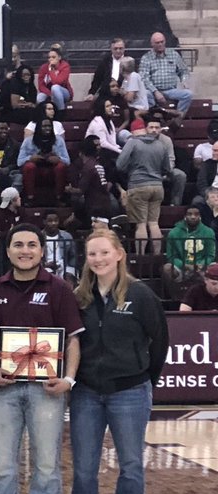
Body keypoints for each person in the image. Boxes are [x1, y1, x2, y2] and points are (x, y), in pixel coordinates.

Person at [0, 224, 83, 494]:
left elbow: (72, 339)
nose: (25, 250)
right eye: (18, 245)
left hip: (46, 389)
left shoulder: (59, 289)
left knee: (47, 466)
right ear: (8, 251)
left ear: (42, 251)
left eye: (32, 245)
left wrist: (67, 379)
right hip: (4, 390)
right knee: (3, 467)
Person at [69, 228, 168, 494]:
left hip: (129, 391)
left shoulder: (140, 295)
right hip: (85, 392)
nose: (98, 259)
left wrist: (141, 378)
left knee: (130, 465)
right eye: (92, 254)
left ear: (119, 254)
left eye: (104, 252)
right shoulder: (79, 296)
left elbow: (160, 343)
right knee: (84, 467)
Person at [117, 115, 172, 252]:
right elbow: (167, 169)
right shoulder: (161, 145)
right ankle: (157, 256)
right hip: (157, 186)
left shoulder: (133, 142)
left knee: (141, 224)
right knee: (154, 223)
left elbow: (119, 164)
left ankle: (141, 258)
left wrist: (131, 168)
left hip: (138, 185)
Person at [162, 205, 216, 299]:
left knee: (214, 269)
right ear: (184, 216)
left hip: (202, 267)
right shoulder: (174, 233)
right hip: (182, 267)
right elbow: (171, 256)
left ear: (200, 216)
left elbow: (211, 255)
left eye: (196, 214)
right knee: (167, 268)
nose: (193, 216)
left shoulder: (208, 232)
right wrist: (185, 265)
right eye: (189, 214)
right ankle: (175, 298)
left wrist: (201, 264)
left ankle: (208, 299)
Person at [140, 32, 193, 122]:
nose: (160, 44)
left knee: (188, 94)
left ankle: (177, 117)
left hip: (170, 90)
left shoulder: (174, 55)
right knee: (145, 94)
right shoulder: (146, 58)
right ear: (152, 44)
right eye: (157, 43)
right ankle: (154, 115)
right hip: (152, 91)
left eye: (162, 42)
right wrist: (155, 91)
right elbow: (144, 78)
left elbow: (183, 71)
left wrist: (184, 81)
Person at [19, 119, 70, 206]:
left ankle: (59, 198)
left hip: (52, 171)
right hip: (36, 172)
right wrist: (30, 158)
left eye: (49, 126)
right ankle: (30, 198)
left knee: (61, 166)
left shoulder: (59, 140)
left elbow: (67, 161)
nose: (47, 128)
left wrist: (58, 159)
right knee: (29, 166)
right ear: (38, 128)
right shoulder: (28, 141)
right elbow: (19, 161)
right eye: (44, 126)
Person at [42, 213, 78, 283]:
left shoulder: (66, 236)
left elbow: (73, 255)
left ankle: (69, 294)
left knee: (69, 277)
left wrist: (71, 267)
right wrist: (45, 264)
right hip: (46, 266)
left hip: (65, 265)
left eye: (56, 220)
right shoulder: (39, 236)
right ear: (44, 221)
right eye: (50, 221)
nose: (53, 223)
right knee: (49, 277)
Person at [36, 47, 73, 112]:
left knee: (55, 88)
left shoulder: (65, 66)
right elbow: (41, 86)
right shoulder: (43, 68)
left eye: (53, 57)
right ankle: (43, 116)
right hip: (48, 92)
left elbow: (58, 82)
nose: (51, 59)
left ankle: (61, 112)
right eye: (49, 57)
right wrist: (50, 94)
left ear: (59, 58)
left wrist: (51, 71)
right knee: (39, 98)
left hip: (64, 92)